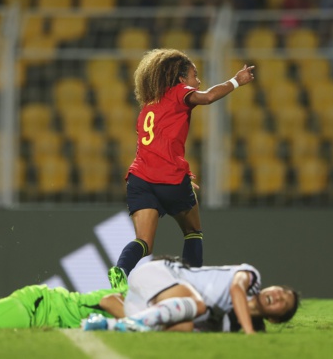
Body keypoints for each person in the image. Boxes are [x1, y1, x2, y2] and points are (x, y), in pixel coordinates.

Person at [108, 49, 255, 288]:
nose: (198, 81)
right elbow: (207, 97)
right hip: (170, 180)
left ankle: (121, 270)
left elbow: (157, 146)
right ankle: (191, 284)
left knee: (144, 242)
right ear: (180, 79)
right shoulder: (179, 93)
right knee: (193, 231)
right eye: (194, 75)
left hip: (139, 179)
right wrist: (236, 81)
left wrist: (182, 173)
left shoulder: (149, 106)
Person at [92, 256, 299, 334]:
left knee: (185, 326)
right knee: (197, 306)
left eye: (284, 303)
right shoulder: (251, 278)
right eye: (281, 291)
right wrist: (249, 332)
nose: (279, 296)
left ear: (273, 319)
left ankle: (110, 318)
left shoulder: (231, 323)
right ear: (271, 287)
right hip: (161, 273)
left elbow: (200, 330)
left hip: (153, 299)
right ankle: (125, 321)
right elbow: (236, 289)